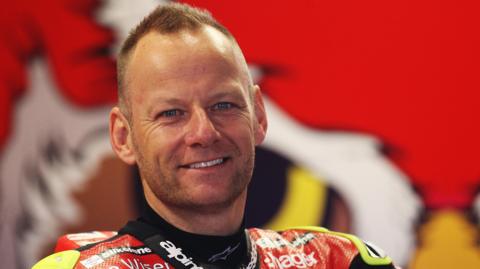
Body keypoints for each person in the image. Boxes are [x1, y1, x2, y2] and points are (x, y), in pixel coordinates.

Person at [33, 3, 397, 269]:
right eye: (171, 113)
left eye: (223, 105)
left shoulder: (338, 261)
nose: (204, 133)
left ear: (258, 115)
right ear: (123, 137)